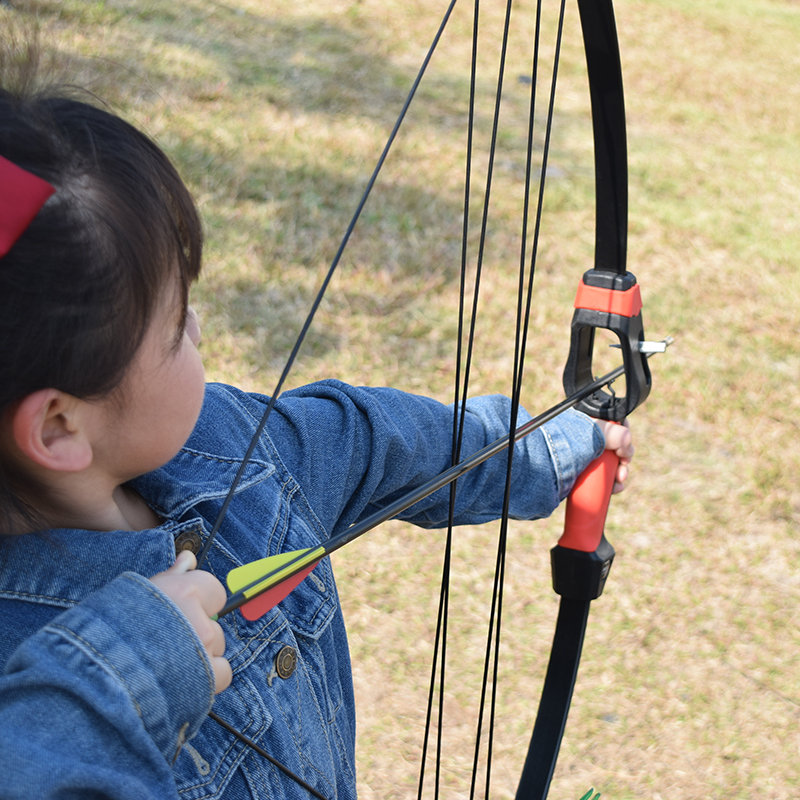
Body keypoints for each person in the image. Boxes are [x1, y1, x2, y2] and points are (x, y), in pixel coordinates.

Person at [0, 48, 633, 800]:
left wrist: (550, 448)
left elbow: (380, 443)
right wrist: (120, 674)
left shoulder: (226, 445)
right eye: (173, 327)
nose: (196, 327)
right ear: (60, 427)